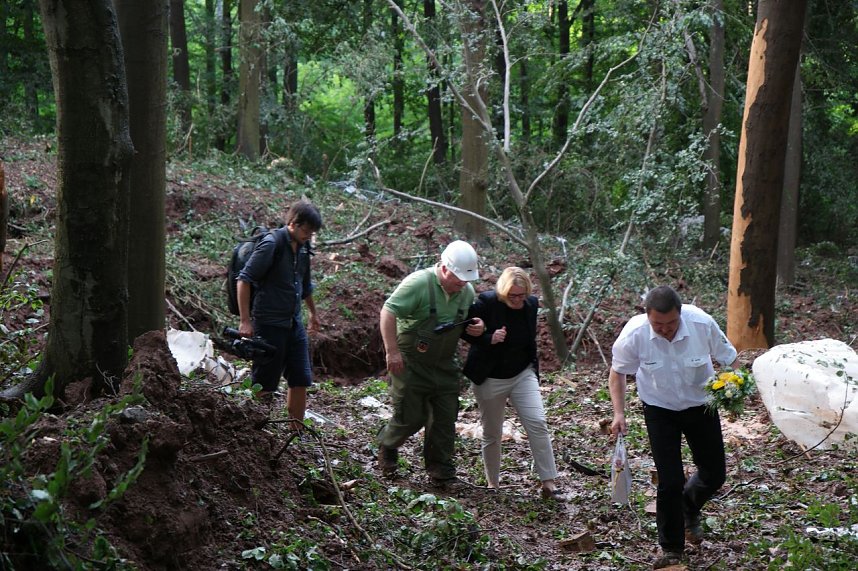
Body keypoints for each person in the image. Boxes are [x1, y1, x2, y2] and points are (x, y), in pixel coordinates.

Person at [608, 285, 739, 569]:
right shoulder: (634, 334)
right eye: (658, 324)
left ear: (681, 313)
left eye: (671, 323)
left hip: (701, 405)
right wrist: (619, 413)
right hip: (659, 409)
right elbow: (617, 372)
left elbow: (730, 359)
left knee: (714, 473)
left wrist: (733, 388)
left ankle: (688, 506)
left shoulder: (701, 323)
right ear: (647, 316)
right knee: (670, 481)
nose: (665, 330)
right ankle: (671, 548)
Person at [376, 240, 486, 484]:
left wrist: (478, 327)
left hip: (445, 364)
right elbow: (388, 311)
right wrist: (392, 352)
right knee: (411, 416)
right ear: (445, 269)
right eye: (458, 279)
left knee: (445, 418)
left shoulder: (466, 292)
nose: (462, 284)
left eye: (466, 280)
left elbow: (468, 322)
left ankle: (440, 469)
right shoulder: (419, 283)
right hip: (411, 362)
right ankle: (388, 444)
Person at [462, 267, 567, 500]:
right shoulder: (487, 302)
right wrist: (488, 337)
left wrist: (534, 371)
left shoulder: (531, 305)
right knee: (492, 432)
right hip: (490, 377)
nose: (518, 300)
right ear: (503, 291)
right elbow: (465, 330)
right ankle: (493, 484)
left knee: (537, 422)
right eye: (513, 296)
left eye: (521, 295)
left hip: (522, 373)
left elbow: (529, 341)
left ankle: (549, 483)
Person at [237, 200, 322, 427]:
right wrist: (245, 321)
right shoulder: (271, 244)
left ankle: (297, 432)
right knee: (265, 381)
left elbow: (305, 286)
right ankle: (255, 429)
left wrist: (313, 314)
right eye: (306, 231)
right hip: (269, 323)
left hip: (294, 323)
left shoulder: (303, 249)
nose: (309, 236)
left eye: (312, 233)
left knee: (301, 377)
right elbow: (244, 279)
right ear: (293, 224)